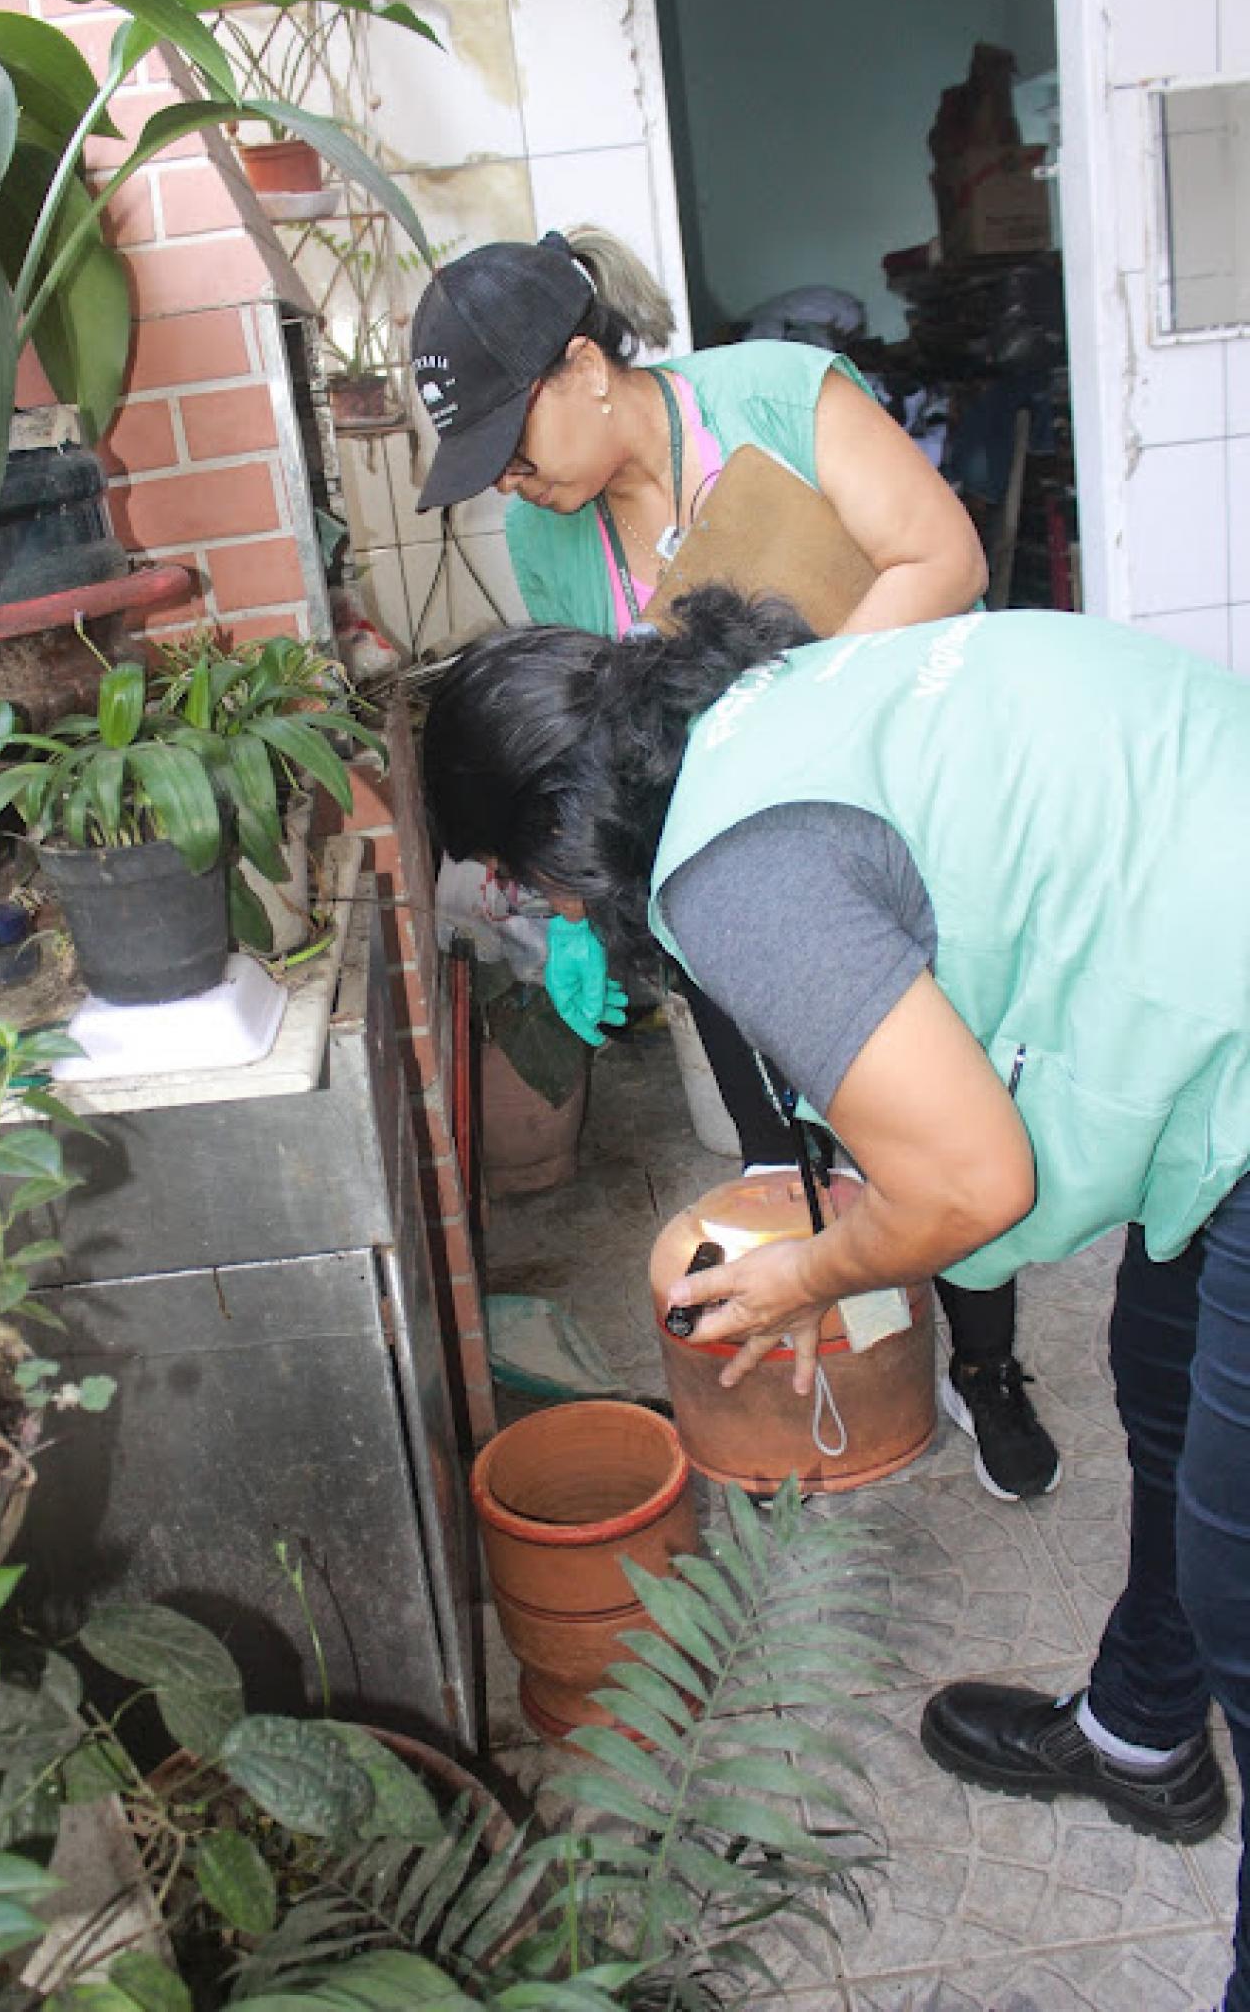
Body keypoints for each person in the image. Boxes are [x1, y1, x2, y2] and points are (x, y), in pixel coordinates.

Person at [420, 591, 1250, 2011]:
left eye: (520, 881)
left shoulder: (733, 871)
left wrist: (806, 1272)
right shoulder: (779, 703)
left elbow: (970, 1181)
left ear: (551, 843)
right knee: (1167, 1384)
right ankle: (1143, 1728)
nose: (544, 912)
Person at [412, 226, 1057, 1500]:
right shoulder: (552, 538)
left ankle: (983, 1364)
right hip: (724, 859)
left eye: (511, 442)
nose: (510, 485)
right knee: (785, 1131)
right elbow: (597, 741)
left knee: (941, 1108)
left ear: (584, 366)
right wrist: (589, 911)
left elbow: (945, 560)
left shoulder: (776, 395)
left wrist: (774, 720)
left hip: (893, 811)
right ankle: (835, 1348)